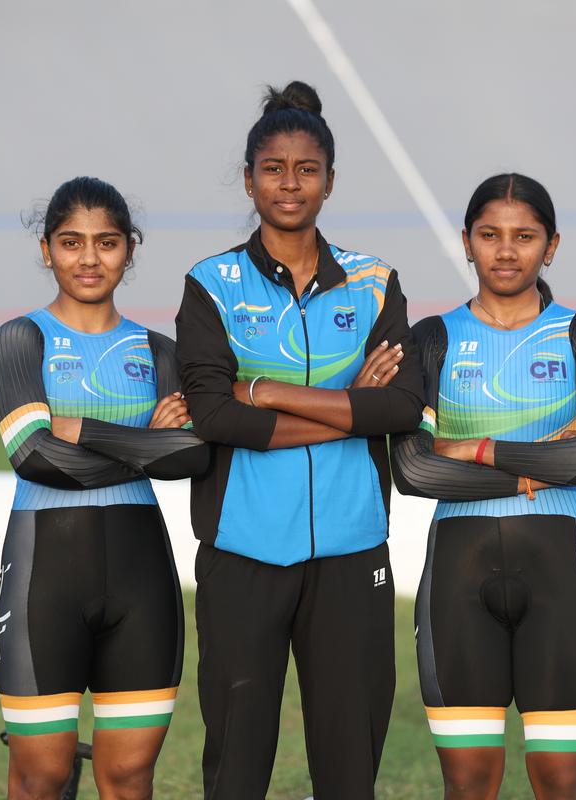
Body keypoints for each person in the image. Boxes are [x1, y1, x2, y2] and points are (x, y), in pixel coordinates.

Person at [174, 81, 424, 798]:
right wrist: (351, 408)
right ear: (249, 179)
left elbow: (401, 407)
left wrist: (269, 391)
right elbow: (213, 416)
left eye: (306, 169)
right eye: (274, 169)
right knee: (237, 766)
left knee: (349, 770)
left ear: (330, 181)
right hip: (243, 551)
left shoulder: (374, 283)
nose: (290, 184)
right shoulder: (211, 284)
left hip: (352, 550)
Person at [391, 173, 576, 800]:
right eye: (490, 235)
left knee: (561, 782)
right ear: (467, 242)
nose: (506, 251)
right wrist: (537, 464)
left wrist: (478, 448)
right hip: (458, 573)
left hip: (560, 570)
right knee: (468, 784)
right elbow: (414, 470)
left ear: (552, 246)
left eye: (525, 237)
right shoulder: (432, 338)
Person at [0, 177, 210, 800]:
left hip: (142, 583)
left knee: (129, 777)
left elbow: (191, 455)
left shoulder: (159, 352)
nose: (89, 258)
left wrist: (80, 428)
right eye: (71, 242)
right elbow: (34, 456)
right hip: (43, 578)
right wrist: (145, 446)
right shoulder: (20, 340)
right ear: (46, 249)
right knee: (41, 776)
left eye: (106, 242)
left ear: (129, 249)